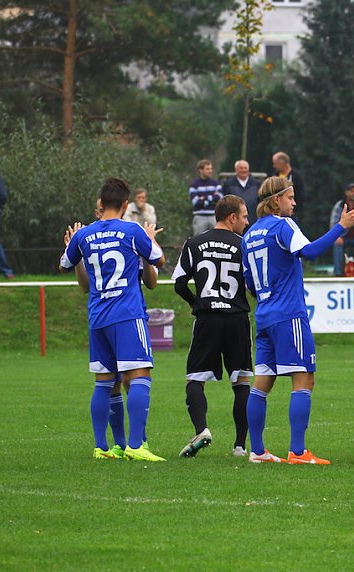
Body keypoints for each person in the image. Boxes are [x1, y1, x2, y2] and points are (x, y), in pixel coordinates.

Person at [242, 176, 354, 464]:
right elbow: (309, 252)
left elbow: (249, 282)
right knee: (304, 378)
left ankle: (257, 451)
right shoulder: (282, 225)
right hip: (289, 314)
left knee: (262, 383)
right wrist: (341, 227)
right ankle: (298, 451)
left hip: (265, 315)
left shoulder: (249, 235)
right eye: (290, 197)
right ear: (276, 201)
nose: (294, 202)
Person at [59, 178, 166, 462]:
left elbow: (64, 263)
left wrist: (75, 246)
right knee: (140, 374)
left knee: (104, 381)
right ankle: (135, 445)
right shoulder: (132, 229)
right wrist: (151, 240)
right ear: (124, 204)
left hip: (98, 316)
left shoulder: (84, 236)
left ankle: (102, 447)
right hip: (128, 314)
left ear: (101, 203)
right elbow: (160, 261)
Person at [173, 195, 253, 459]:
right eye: (243, 216)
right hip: (236, 319)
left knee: (195, 379)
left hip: (207, 319)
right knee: (241, 382)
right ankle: (240, 446)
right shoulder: (244, 245)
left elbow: (179, 284)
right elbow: (253, 285)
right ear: (232, 217)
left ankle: (201, 430)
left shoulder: (194, 243)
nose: (246, 221)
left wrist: (197, 303)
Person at [330, 183, 354, 276]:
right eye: (352, 191)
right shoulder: (339, 205)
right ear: (346, 193)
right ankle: (338, 274)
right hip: (343, 236)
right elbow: (333, 222)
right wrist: (336, 236)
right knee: (337, 244)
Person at [222, 160, 261, 228]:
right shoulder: (228, 184)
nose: (243, 170)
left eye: (245, 168)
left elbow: (260, 201)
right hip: (235, 223)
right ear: (236, 170)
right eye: (241, 168)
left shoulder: (257, 184)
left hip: (253, 222)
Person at [189, 159, 223, 236]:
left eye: (211, 169)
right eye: (207, 169)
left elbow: (220, 198)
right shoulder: (194, 184)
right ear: (200, 170)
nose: (210, 171)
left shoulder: (215, 183)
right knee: (198, 239)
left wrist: (204, 198)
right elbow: (195, 202)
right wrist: (212, 199)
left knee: (216, 238)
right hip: (200, 217)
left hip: (214, 216)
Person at [272, 151, 306, 221]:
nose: (274, 166)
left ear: (282, 162)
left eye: (275, 163)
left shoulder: (297, 176)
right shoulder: (274, 176)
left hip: (292, 215)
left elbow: (300, 196)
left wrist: (294, 210)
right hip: (276, 215)